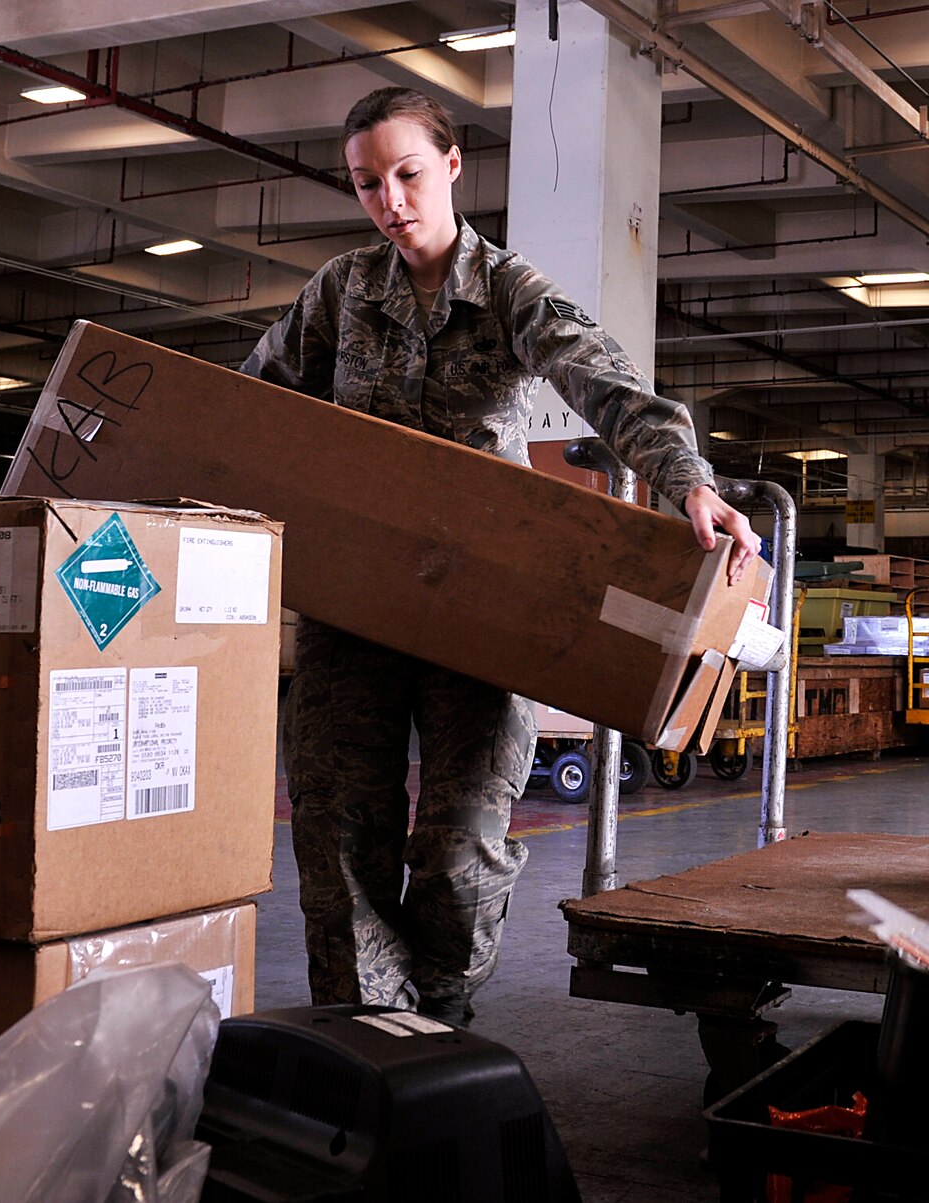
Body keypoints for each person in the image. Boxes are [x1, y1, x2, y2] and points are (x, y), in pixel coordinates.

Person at [242, 86, 760, 1023]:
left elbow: (605, 380)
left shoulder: (510, 291)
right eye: (366, 185)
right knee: (335, 833)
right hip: (353, 607)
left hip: (478, 608)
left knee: (464, 843)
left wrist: (686, 478)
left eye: (406, 174)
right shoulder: (342, 292)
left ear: (450, 166)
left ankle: (436, 1022)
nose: (390, 201)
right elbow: (251, 406)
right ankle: (369, 1037)